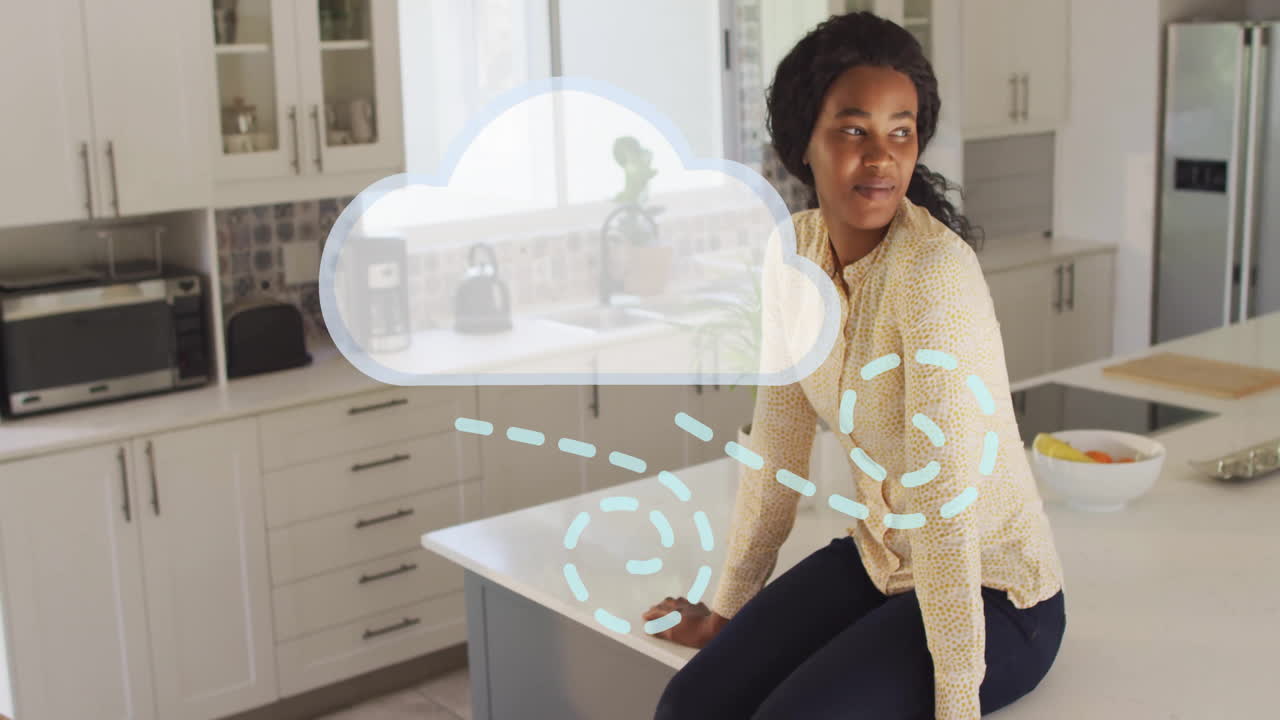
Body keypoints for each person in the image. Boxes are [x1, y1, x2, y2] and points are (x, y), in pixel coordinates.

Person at [643, 11, 1067, 720]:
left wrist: (956, 700)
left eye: (901, 131)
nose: (881, 156)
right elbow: (776, 455)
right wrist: (727, 614)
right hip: (880, 559)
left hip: (994, 594)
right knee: (689, 704)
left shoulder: (931, 274)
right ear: (800, 143)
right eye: (853, 130)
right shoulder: (793, 253)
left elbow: (945, 502)